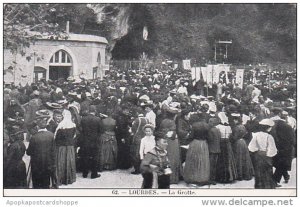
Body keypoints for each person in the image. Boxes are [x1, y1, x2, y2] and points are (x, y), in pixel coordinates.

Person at [26, 112, 56, 188]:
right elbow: (53, 151)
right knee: (46, 181)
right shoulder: (51, 135)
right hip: (48, 163)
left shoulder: (34, 137)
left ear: (38, 126)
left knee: (37, 182)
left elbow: (29, 152)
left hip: (36, 164)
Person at [248, 119, 277, 189]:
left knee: (258, 171)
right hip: (266, 155)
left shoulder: (256, 135)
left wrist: (256, 151)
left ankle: (259, 185)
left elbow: (251, 146)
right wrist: (269, 154)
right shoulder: (269, 137)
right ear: (268, 128)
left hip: (257, 155)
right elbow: (272, 149)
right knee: (267, 171)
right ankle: (267, 186)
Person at [159, 108, 182, 184]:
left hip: (164, 141)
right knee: (173, 158)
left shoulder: (163, 121)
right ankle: (172, 178)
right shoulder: (172, 123)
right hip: (172, 142)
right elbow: (173, 135)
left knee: (166, 157)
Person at [183, 122, 210, 186]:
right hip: (203, 144)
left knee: (194, 160)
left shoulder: (194, 126)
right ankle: (202, 178)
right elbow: (208, 137)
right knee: (203, 161)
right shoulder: (206, 126)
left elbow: (191, 136)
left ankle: (193, 178)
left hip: (195, 143)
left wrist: (186, 140)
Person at [54, 110, 77, 185]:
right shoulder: (73, 125)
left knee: (61, 162)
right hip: (70, 147)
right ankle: (69, 178)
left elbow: (56, 138)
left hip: (61, 147)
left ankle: (61, 178)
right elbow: (74, 136)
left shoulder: (60, 126)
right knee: (69, 162)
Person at [80, 105, 102, 179]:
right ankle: (94, 174)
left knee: (85, 157)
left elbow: (81, 130)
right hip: (94, 141)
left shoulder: (83, 119)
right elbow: (100, 131)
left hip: (85, 141)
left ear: (88, 111)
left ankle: (85, 173)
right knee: (95, 157)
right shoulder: (98, 119)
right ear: (95, 111)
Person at [215, 112, 237, 183]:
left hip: (221, 143)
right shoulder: (228, 127)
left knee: (221, 159)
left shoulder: (217, 126)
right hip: (227, 143)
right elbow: (230, 135)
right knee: (228, 159)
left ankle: (221, 177)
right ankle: (229, 177)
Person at [230, 115, 254, 181]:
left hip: (238, 143)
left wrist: (230, 137)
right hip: (243, 142)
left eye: (235, 120)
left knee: (238, 158)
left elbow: (235, 137)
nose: (234, 121)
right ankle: (246, 173)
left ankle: (239, 174)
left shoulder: (236, 128)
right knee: (245, 158)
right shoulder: (243, 126)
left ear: (237, 120)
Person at [130, 109, 149, 174]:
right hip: (145, 137)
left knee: (136, 154)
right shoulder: (147, 119)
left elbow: (133, 130)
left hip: (137, 138)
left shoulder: (137, 120)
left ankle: (137, 169)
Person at [207, 117, 221, 185]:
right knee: (214, 165)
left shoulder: (210, 130)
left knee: (211, 165)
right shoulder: (218, 130)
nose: (209, 123)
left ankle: (210, 179)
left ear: (213, 123)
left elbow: (210, 139)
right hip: (217, 149)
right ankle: (213, 178)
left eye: (210, 122)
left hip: (212, 150)